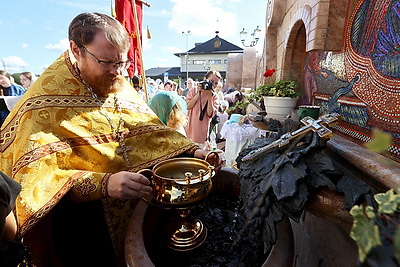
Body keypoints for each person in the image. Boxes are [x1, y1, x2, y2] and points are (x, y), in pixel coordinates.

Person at [0, 12, 220, 267]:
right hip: (82, 226)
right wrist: (102, 184)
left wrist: (194, 154)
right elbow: (35, 180)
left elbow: (151, 132)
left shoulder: (117, 83)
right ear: (76, 49)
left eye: (122, 63)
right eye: (106, 62)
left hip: (138, 211)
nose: (118, 72)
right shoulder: (39, 105)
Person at [184, 70, 221, 148]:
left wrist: (209, 96)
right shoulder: (194, 90)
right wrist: (198, 93)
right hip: (189, 128)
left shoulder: (215, 96)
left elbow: (210, 114)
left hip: (201, 132)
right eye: (211, 81)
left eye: (216, 83)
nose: (213, 84)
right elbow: (188, 106)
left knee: (198, 155)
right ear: (205, 79)